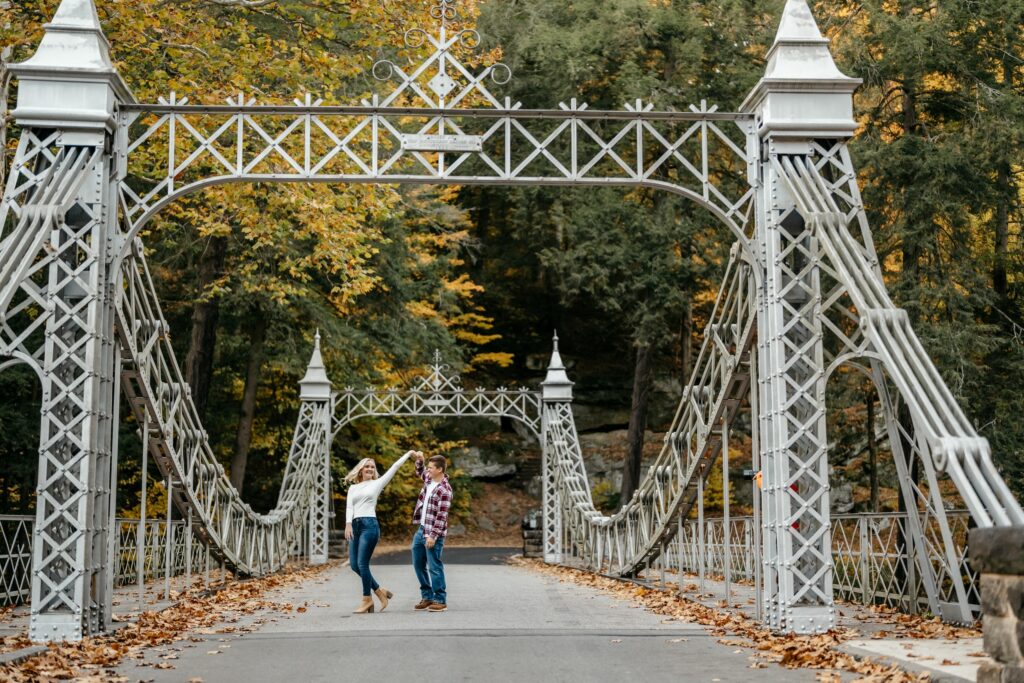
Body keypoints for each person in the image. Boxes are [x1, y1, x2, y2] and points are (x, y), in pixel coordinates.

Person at [344, 450, 418, 613]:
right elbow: (350, 507)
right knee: (355, 565)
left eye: (372, 466)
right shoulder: (353, 488)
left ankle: (367, 600)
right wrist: (348, 524)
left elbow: (395, 466)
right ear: (361, 469)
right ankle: (379, 591)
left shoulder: (377, 484)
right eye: (367, 466)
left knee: (363, 563)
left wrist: (409, 454)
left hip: (369, 526)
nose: (370, 469)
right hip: (355, 526)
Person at [410, 453, 452, 612]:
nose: (427, 470)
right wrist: (419, 460)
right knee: (418, 564)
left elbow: (442, 516)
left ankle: (440, 600)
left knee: (434, 566)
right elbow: (420, 472)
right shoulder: (429, 480)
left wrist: (432, 536)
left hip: (433, 534)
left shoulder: (445, 490)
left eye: (431, 467)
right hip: (421, 530)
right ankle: (427, 596)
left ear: (440, 469)